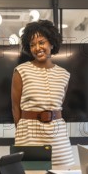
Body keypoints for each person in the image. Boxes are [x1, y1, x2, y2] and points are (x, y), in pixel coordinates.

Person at [11, 19, 74, 166]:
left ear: (51, 43)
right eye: (32, 45)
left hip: (58, 137)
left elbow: (58, 105)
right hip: (29, 135)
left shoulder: (64, 74)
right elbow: (15, 109)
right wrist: (22, 134)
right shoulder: (21, 71)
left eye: (41, 42)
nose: (37, 48)